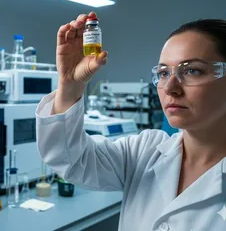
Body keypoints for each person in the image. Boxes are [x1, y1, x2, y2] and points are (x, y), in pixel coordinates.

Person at [36, 12, 226, 231]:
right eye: (163, 73)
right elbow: (71, 160)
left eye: (193, 70)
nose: (170, 87)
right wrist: (69, 85)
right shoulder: (144, 152)